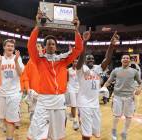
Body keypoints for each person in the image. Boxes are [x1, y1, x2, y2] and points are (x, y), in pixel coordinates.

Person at [27, 9, 83, 140]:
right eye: (48, 44)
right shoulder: (39, 59)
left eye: (53, 44)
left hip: (59, 100)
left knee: (57, 135)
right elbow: (30, 46)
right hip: (43, 100)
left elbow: (79, 49)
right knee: (37, 134)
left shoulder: (63, 59)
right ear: (45, 47)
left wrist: (76, 30)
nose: (51, 45)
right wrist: (38, 26)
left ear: (56, 47)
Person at [76, 30, 119, 140]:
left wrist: (111, 45)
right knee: (86, 133)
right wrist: (84, 42)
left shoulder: (98, 68)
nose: (91, 59)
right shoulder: (81, 68)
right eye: (88, 58)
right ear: (85, 60)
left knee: (96, 132)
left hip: (95, 104)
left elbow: (107, 58)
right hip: (84, 103)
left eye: (92, 58)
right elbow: (81, 58)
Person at [0, 38, 24, 140]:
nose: (10, 47)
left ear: (14, 48)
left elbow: (20, 74)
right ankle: (10, 135)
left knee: (11, 120)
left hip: (14, 93)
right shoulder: (0, 59)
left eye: (12, 46)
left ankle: (9, 138)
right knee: (4, 118)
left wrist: (16, 62)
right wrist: (0, 62)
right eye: (8, 46)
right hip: (3, 92)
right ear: (4, 47)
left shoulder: (17, 58)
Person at [103, 54, 142, 140]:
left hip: (130, 97)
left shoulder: (134, 71)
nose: (125, 59)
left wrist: (139, 88)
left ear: (130, 60)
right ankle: (114, 130)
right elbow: (109, 81)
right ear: (121, 60)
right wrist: (104, 87)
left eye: (127, 58)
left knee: (129, 117)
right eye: (124, 58)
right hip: (117, 97)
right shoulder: (115, 70)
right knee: (117, 116)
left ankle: (124, 132)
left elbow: (140, 82)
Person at [65, 59, 79, 130]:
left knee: (78, 106)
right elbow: (66, 80)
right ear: (72, 62)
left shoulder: (80, 70)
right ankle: (75, 121)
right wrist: (66, 88)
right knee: (73, 105)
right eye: (74, 61)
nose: (75, 63)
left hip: (79, 89)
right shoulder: (68, 70)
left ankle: (71, 114)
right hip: (71, 89)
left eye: (76, 61)